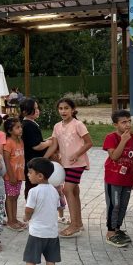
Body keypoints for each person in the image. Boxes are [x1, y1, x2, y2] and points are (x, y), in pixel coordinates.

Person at [45, 98, 92, 238]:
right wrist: (43, 159)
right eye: (60, 108)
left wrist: (77, 154)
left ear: (73, 109)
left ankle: (74, 225)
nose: (63, 111)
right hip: (64, 164)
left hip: (78, 163)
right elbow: (54, 146)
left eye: (66, 108)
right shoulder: (57, 126)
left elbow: (89, 143)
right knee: (74, 191)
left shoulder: (78, 124)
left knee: (67, 189)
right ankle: (79, 222)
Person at [18, 157, 60, 265]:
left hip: (37, 232)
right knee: (51, 258)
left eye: (30, 173)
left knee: (31, 258)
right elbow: (58, 207)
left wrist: (26, 217)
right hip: (52, 232)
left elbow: (29, 209)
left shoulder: (33, 191)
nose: (28, 175)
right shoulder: (54, 191)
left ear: (40, 176)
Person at [103, 110, 133, 248]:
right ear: (115, 124)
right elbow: (114, 156)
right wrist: (123, 140)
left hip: (127, 178)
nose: (127, 125)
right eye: (123, 122)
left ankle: (117, 229)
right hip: (113, 177)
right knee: (114, 205)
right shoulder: (111, 137)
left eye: (129, 121)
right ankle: (110, 232)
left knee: (123, 205)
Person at [20, 99, 53, 200]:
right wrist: (49, 143)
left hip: (31, 161)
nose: (37, 110)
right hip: (33, 161)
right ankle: (32, 206)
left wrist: (46, 140)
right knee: (33, 186)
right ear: (25, 111)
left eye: (37, 108)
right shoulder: (29, 125)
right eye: (34, 109)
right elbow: (36, 146)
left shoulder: (29, 123)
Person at [3, 117, 27, 231]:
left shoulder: (20, 141)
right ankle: (10, 220)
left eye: (20, 126)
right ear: (9, 130)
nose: (20, 129)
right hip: (10, 176)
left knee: (16, 196)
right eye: (17, 127)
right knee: (10, 197)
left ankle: (14, 218)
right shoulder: (8, 143)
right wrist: (11, 175)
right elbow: (6, 160)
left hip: (19, 175)